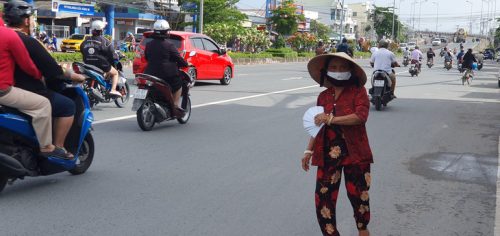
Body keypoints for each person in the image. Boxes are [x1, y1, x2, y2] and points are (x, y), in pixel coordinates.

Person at [302, 52, 373, 236]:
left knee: (359, 197)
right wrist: (308, 150)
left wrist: (331, 119)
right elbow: (317, 124)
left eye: (343, 68)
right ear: (326, 71)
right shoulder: (324, 96)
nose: (338, 71)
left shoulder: (359, 92)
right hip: (327, 155)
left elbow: (360, 117)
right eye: (333, 68)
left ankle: (362, 229)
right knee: (323, 199)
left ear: (351, 71)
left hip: (355, 154)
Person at [4, 0, 86, 159]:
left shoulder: (5, 37)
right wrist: (75, 76)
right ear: (27, 20)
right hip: (24, 89)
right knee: (67, 105)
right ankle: (56, 148)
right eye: (32, 19)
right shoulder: (26, 41)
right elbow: (51, 69)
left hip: (10, 89)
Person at [0, 10, 65, 159]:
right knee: (43, 104)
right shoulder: (9, 36)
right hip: (3, 91)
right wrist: (38, 75)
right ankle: (47, 147)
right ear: (26, 21)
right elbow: (26, 64)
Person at [144, 20, 188, 117]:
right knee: (179, 83)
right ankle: (175, 106)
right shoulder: (169, 45)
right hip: (166, 75)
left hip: (149, 74)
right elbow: (179, 59)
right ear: (166, 32)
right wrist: (185, 63)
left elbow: (147, 58)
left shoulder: (148, 45)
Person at [80, 20, 122, 97]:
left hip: (87, 63)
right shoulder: (105, 41)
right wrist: (116, 57)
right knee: (115, 73)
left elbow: (82, 51)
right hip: (101, 64)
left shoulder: (85, 41)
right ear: (101, 30)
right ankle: (113, 90)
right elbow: (112, 54)